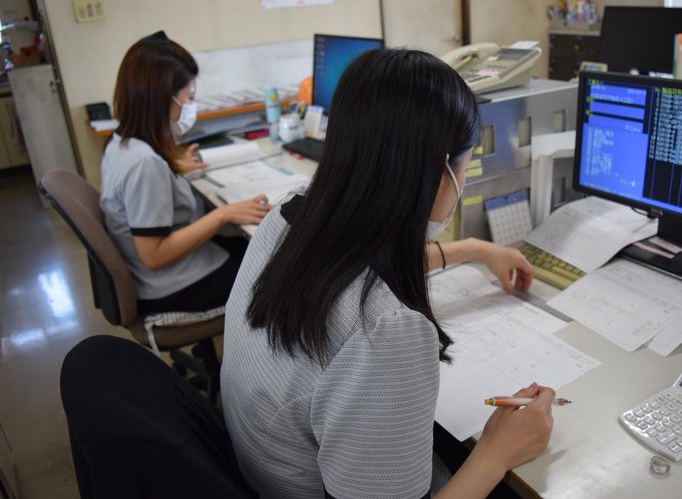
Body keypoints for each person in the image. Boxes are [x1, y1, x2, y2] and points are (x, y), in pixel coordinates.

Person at [221, 48, 555, 498]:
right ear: (439, 171)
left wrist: (473, 250)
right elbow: (372, 300)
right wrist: (497, 451)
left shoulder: (289, 216)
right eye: (465, 164)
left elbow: (355, 265)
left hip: (261, 470)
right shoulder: (387, 332)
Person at [100, 31, 270, 315]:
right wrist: (223, 214)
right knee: (281, 269)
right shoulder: (145, 164)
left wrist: (173, 168)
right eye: (189, 98)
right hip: (172, 286)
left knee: (259, 249)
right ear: (160, 100)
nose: (191, 106)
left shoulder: (120, 142)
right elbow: (154, 255)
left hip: (167, 273)